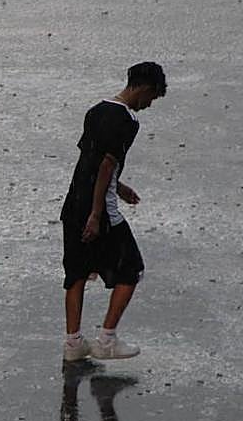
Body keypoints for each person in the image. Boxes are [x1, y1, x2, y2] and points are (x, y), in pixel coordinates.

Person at [60, 61, 166, 360]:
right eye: (152, 98)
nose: (149, 105)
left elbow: (89, 160)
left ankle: (73, 344)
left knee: (77, 273)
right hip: (99, 210)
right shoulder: (127, 121)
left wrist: (120, 187)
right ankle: (106, 339)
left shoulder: (95, 111)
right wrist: (96, 214)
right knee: (131, 269)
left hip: (73, 203)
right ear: (145, 88)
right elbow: (106, 164)